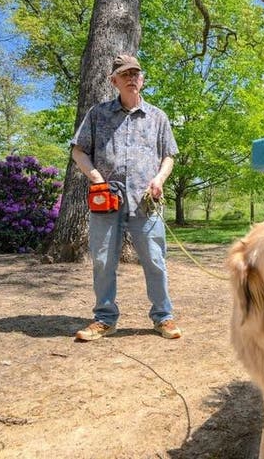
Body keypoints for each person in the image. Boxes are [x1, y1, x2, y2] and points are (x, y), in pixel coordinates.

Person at [70, 54, 181, 341]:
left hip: (146, 200)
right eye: (125, 74)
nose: (131, 77)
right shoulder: (97, 113)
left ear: (142, 79)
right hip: (107, 200)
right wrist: (96, 178)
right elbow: (78, 151)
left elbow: (169, 156)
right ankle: (105, 318)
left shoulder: (158, 117)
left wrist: (159, 179)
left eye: (136, 73)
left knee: (155, 260)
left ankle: (163, 317)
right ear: (114, 81)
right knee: (103, 260)